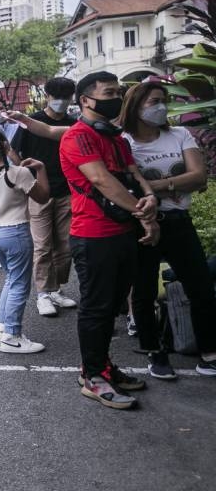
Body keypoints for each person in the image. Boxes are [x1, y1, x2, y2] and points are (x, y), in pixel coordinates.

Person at [59, 71, 159, 409]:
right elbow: (101, 180)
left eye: (118, 91)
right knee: (96, 308)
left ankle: (101, 365)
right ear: (86, 100)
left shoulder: (117, 138)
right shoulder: (78, 136)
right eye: (109, 92)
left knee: (113, 307)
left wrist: (150, 199)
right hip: (93, 236)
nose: (116, 96)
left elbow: (133, 174)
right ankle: (91, 376)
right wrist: (142, 213)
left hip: (123, 233)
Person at [120, 82, 216, 378]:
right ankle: (154, 351)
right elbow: (123, 187)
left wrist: (151, 188)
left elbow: (199, 177)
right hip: (143, 225)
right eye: (154, 101)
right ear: (136, 105)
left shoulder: (180, 134)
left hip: (178, 221)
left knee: (200, 286)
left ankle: (209, 350)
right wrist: (170, 185)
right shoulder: (123, 142)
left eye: (164, 101)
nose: (161, 107)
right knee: (144, 290)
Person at [0, 129, 51, 353]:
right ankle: (12, 336)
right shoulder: (18, 173)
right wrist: (41, 169)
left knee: (11, 279)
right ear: (5, 146)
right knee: (19, 284)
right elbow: (43, 196)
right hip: (15, 231)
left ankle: (3, 327)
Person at [14, 77, 79, 317]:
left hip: (67, 190)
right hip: (39, 192)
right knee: (42, 245)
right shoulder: (33, 123)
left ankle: (56, 289)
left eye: (66, 96)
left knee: (65, 245)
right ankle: (43, 293)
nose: (61, 101)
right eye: (57, 96)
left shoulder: (74, 124)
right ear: (47, 97)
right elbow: (14, 149)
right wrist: (23, 174)